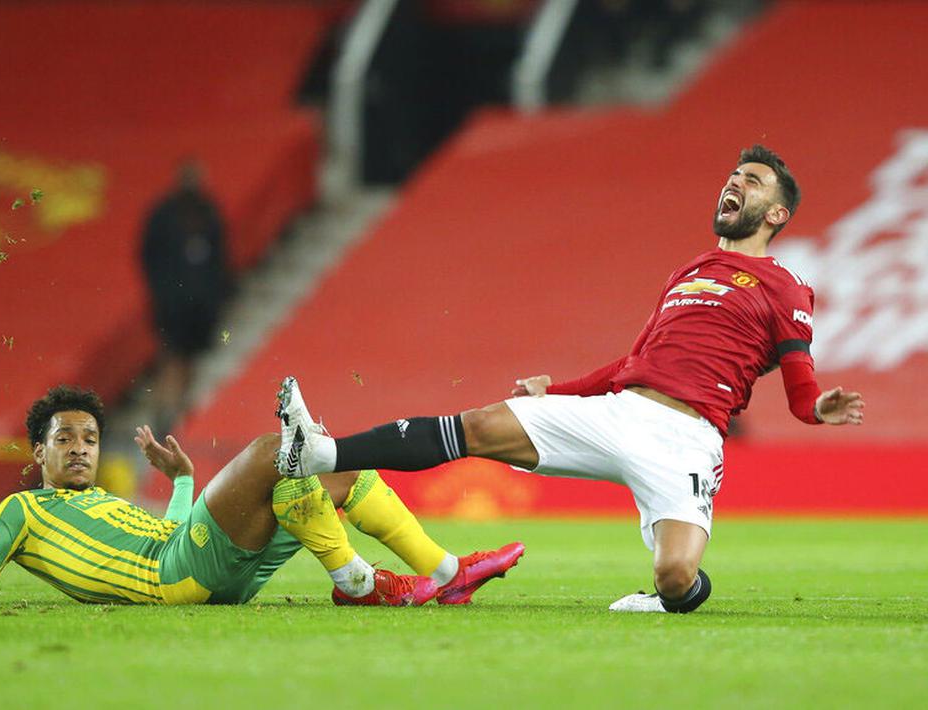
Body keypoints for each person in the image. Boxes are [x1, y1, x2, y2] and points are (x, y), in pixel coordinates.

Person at [274, 145, 865, 614]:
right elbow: (631, 366)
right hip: (619, 413)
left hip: (688, 439)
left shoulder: (786, 286)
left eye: (753, 180)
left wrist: (820, 410)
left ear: (777, 213)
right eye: (734, 175)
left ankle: (668, 601)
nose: (735, 183)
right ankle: (320, 451)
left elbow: (799, 388)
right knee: (475, 425)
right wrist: (554, 391)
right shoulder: (689, 271)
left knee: (677, 576)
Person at [0, 385, 523, 607]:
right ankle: (358, 582)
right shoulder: (22, 512)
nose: (79, 450)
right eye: (64, 440)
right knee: (268, 453)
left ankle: (442, 573)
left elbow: (178, 530)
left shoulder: (108, 504)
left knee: (335, 474)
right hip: (176, 579)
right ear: (36, 452)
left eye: (89, 440)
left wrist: (182, 479)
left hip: (204, 569)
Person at [139, 160, 231, 435]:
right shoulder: (164, 215)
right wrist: (162, 290)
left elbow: (220, 258)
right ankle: (162, 411)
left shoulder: (208, 213)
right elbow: (148, 255)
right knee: (171, 356)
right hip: (172, 302)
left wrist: (214, 296)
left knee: (191, 358)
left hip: (200, 304)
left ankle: (180, 410)